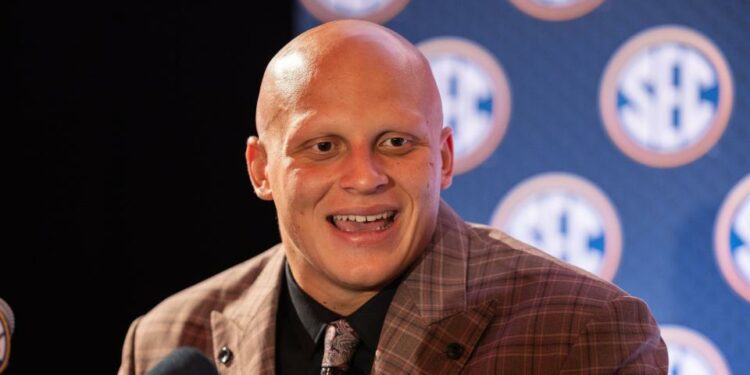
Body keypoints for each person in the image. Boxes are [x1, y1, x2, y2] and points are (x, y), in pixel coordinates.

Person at [118, 20, 668, 374]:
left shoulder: (581, 333)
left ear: (445, 158)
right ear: (261, 170)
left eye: (396, 142)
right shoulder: (166, 336)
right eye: (323, 146)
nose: (364, 176)